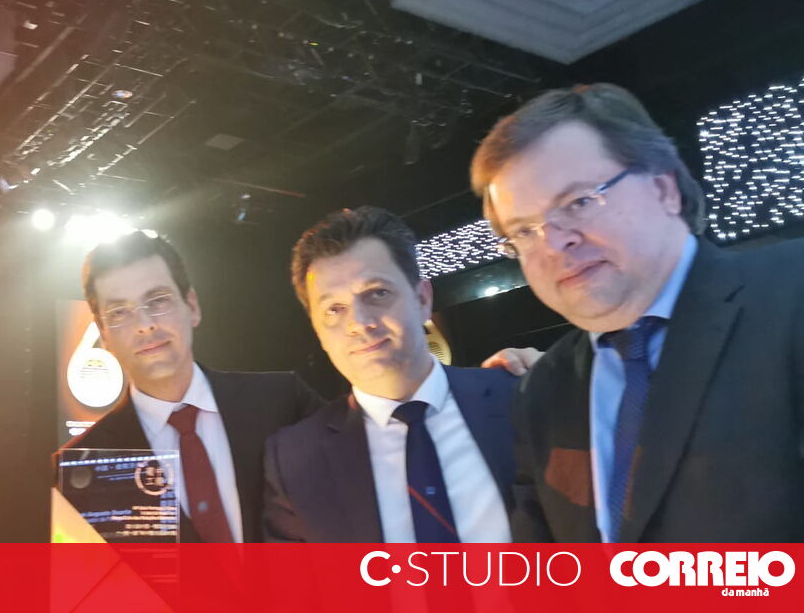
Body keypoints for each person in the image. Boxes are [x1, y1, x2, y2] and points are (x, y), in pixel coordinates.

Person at [471, 83, 804, 543]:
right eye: (524, 231)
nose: (554, 243)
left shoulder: (791, 294)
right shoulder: (542, 389)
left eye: (578, 202)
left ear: (664, 188)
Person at [263, 207, 517, 543]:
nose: (359, 323)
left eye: (377, 293)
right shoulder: (294, 460)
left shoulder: (518, 397)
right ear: (318, 330)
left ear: (422, 299)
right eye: (334, 309)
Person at [60, 230, 321, 543]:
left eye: (158, 300)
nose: (145, 324)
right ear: (104, 334)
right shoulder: (84, 467)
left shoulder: (282, 402)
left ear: (192, 306)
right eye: (119, 312)